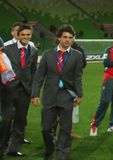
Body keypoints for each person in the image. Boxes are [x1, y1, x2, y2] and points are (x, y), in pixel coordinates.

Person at [31, 25, 84, 160]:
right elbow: (39, 76)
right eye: (65, 37)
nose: (67, 40)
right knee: (46, 128)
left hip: (67, 95)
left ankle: (62, 155)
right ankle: (49, 149)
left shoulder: (77, 56)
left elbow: (78, 76)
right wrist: (35, 94)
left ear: (73, 39)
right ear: (59, 38)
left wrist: (79, 94)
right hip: (50, 95)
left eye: (70, 38)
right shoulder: (48, 54)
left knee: (66, 129)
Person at [0, 24, 37, 157]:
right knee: (7, 118)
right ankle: (1, 145)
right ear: (18, 35)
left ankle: (13, 149)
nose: (25, 37)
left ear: (30, 35)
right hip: (8, 89)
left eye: (28, 35)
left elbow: (33, 71)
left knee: (20, 120)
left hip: (24, 91)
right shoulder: (7, 49)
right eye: (23, 35)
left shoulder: (33, 50)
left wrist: (31, 88)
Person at [90, 30, 113, 136]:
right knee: (105, 102)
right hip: (109, 78)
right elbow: (106, 63)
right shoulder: (109, 50)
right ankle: (94, 125)